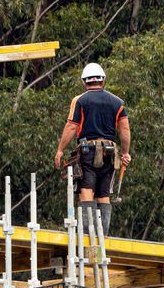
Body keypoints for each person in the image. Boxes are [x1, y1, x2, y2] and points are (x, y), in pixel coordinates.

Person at [54, 62, 131, 235]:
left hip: (88, 151)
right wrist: (125, 153)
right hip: (110, 152)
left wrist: (60, 150)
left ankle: (88, 236)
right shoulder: (118, 102)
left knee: (86, 190)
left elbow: (71, 126)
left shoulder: (80, 100)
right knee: (103, 194)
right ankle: (102, 235)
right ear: (103, 80)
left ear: (84, 82)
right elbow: (124, 129)